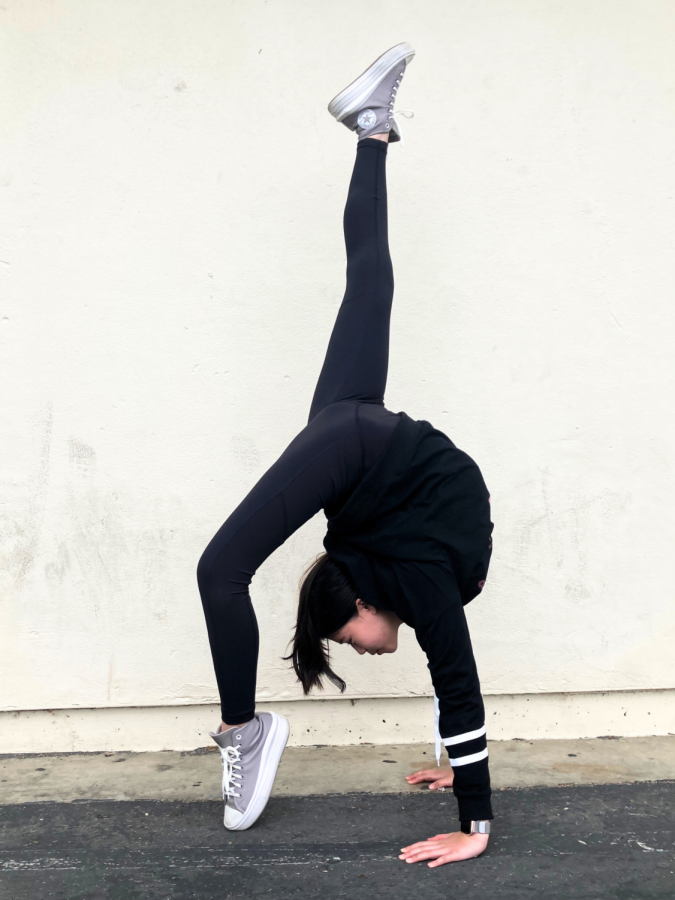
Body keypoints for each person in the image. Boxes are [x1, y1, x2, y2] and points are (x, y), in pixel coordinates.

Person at [196, 42, 494, 867]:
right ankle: (372, 131)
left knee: (217, 571)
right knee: (368, 281)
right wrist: (457, 778)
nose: (360, 646)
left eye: (344, 630)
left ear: (367, 594)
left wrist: (476, 831)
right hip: (359, 432)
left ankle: (241, 730)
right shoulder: (416, 574)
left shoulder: (411, 577)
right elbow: (453, 675)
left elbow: (455, 676)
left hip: (359, 440)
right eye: (350, 636)